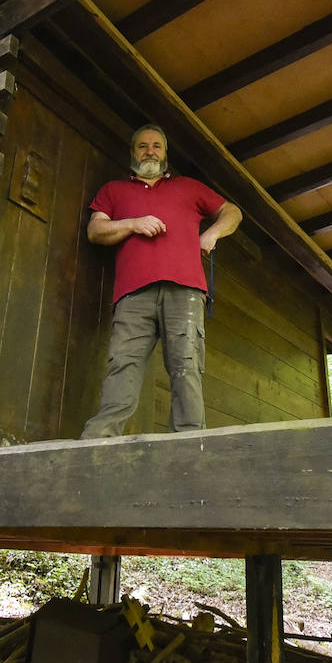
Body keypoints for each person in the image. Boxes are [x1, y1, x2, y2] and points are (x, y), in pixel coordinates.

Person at [79, 124, 241, 439]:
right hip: (132, 294)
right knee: (122, 363)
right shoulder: (113, 190)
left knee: (186, 363)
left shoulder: (190, 187)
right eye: (143, 146)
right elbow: (95, 231)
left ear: (165, 153)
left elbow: (232, 212)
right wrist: (132, 224)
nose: (150, 151)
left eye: (156, 146)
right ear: (133, 153)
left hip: (186, 290)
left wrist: (211, 233)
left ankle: (189, 438)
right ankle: (101, 437)